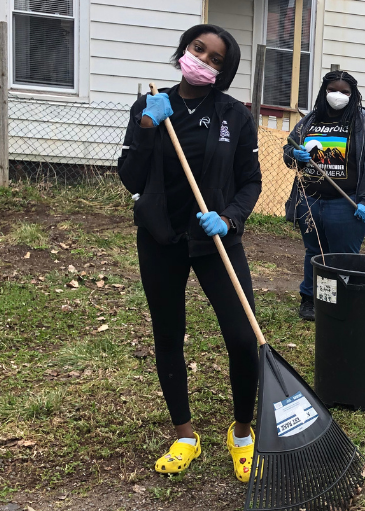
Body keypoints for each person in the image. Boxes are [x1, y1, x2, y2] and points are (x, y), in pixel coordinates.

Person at [117, 25, 261, 482]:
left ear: (225, 72)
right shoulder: (150, 105)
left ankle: (241, 433)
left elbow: (250, 180)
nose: (204, 59)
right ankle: (184, 435)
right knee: (169, 335)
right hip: (161, 238)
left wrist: (231, 217)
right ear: (185, 49)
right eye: (199, 49)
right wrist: (146, 125)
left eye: (216, 58)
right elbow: (131, 178)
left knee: (243, 338)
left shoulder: (234, 115)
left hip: (216, 240)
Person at [282, 71, 365, 321]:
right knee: (314, 253)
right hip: (310, 200)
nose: (338, 95)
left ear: (353, 95)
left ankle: (343, 302)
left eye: (345, 92)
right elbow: (288, 149)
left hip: (346, 203)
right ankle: (311, 300)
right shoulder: (309, 121)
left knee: (344, 258)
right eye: (332, 90)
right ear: (323, 91)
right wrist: (294, 155)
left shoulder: (363, 124)